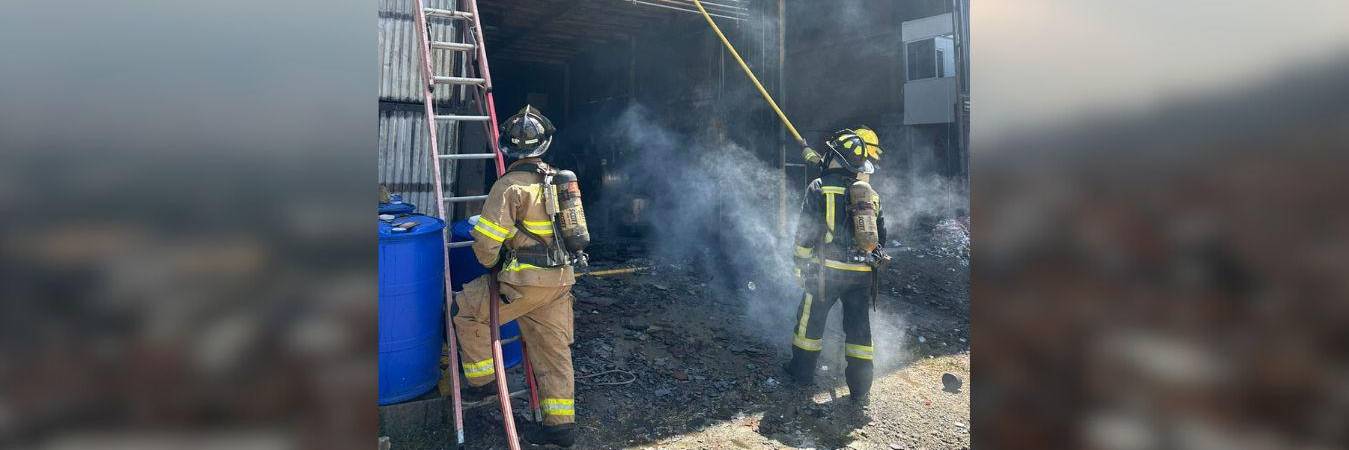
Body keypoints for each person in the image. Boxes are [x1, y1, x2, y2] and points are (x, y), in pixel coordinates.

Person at [454, 105, 580, 447]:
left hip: (523, 284)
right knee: (553, 351)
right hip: (560, 282)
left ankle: (482, 384)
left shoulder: (509, 186)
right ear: (544, 146)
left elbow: (486, 243)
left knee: (465, 311)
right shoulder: (559, 181)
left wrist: (491, 264)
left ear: (507, 148)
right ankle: (560, 427)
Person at [784, 126, 886, 405]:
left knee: (810, 323)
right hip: (862, 274)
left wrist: (799, 266)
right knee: (859, 331)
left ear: (836, 158)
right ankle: (860, 388)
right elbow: (881, 239)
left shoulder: (819, 188)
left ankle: (801, 373)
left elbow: (806, 233)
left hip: (826, 273)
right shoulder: (871, 197)